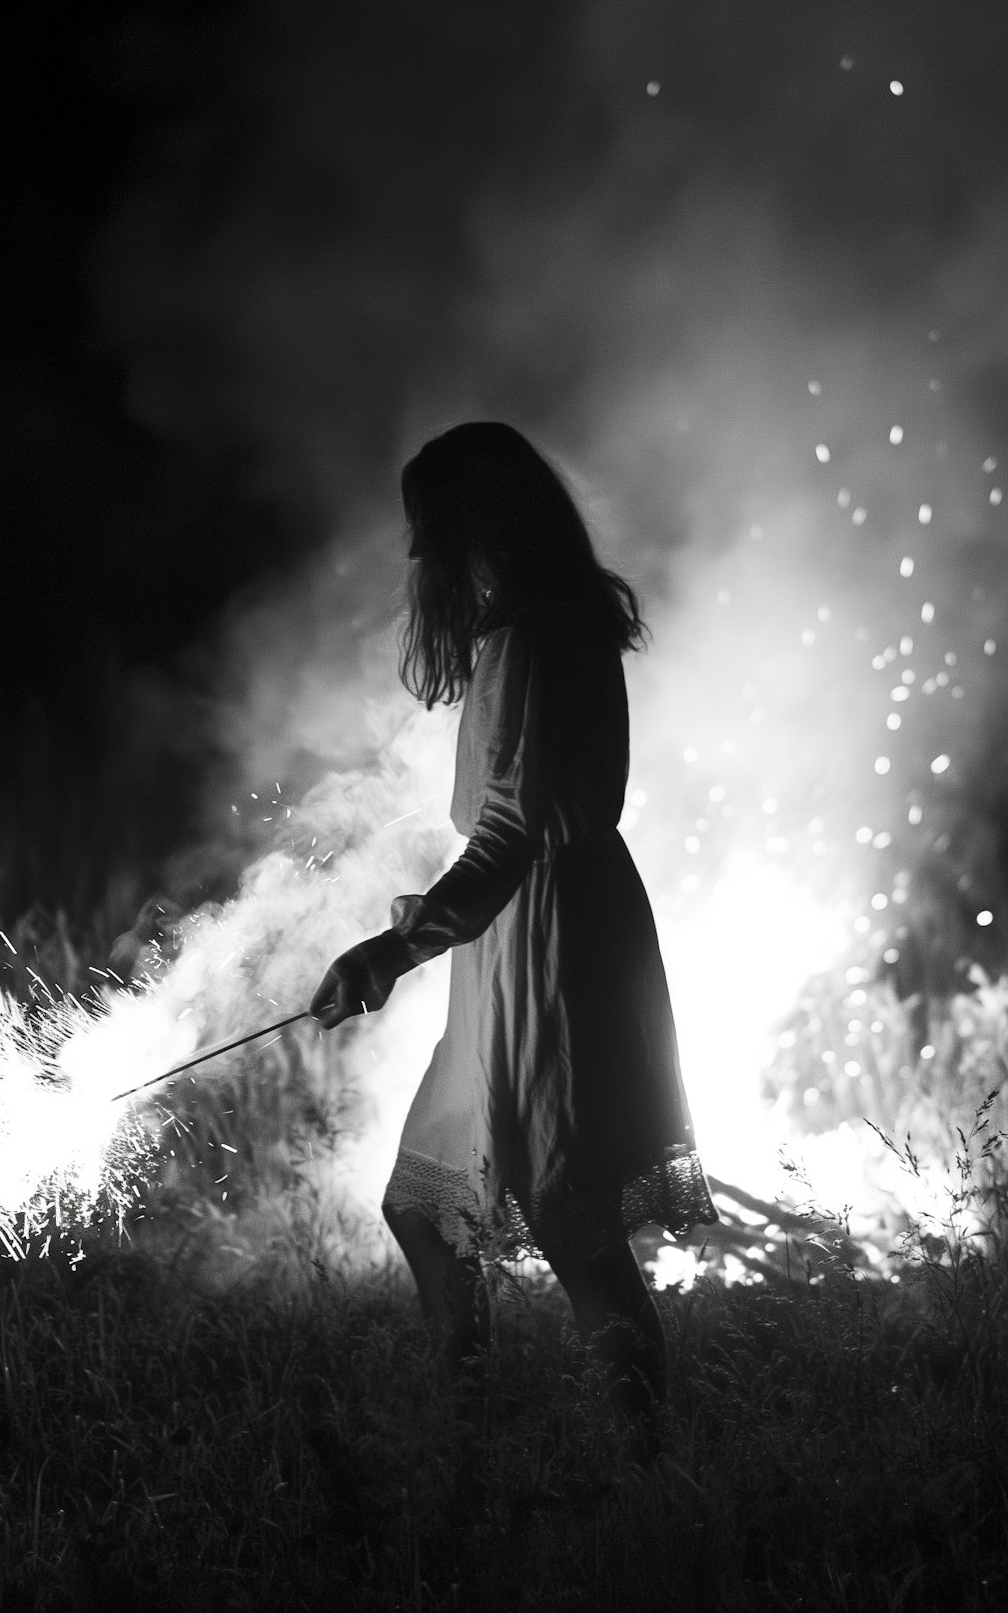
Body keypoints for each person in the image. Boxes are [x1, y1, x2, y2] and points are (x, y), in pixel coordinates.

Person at [311, 422, 717, 1443]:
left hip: (549, 941)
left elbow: (508, 829)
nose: (414, 555)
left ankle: (643, 1478)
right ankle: (471, 1434)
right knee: (425, 1208)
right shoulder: (537, 626)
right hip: (527, 931)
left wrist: (393, 950)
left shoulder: (532, 635)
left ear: (474, 525)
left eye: (426, 529)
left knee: (571, 1221)